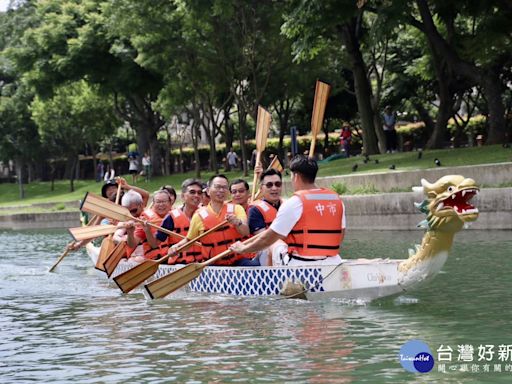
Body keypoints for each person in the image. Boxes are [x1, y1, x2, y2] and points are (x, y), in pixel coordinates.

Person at [230, 155, 346, 266]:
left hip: (302, 264)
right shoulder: (336, 200)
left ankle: (272, 283)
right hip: (333, 260)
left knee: (274, 243)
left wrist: (243, 249)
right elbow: (340, 236)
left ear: (295, 176)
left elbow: (267, 239)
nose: (274, 188)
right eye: (269, 185)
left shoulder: (294, 202)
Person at [169, 174, 251, 266]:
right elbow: (189, 240)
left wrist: (237, 222)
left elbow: (245, 232)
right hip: (213, 264)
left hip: (238, 261)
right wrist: (176, 247)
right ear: (208, 191)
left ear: (228, 192)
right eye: (217, 187)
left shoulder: (237, 208)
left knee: (254, 266)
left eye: (224, 187)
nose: (221, 190)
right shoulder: (199, 215)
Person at [148, 179, 204, 264]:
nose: (196, 195)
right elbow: (155, 244)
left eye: (199, 193)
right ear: (182, 196)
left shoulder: (206, 215)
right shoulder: (171, 218)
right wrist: (147, 230)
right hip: (179, 265)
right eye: (192, 192)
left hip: (203, 264)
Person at [246, 168, 284, 266]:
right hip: (266, 250)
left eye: (278, 184)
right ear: (261, 188)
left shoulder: (288, 205)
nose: (274, 188)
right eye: (269, 185)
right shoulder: (255, 210)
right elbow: (265, 238)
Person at [127, 189, 174, 260]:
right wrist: (130, 233)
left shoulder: (176, 215)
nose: (161, 205)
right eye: (158, 202)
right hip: (155, 260)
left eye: (164, 201)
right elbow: (132, 244)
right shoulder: (145, 219)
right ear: (153, 204)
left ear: (170, 203)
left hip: (175, 258)